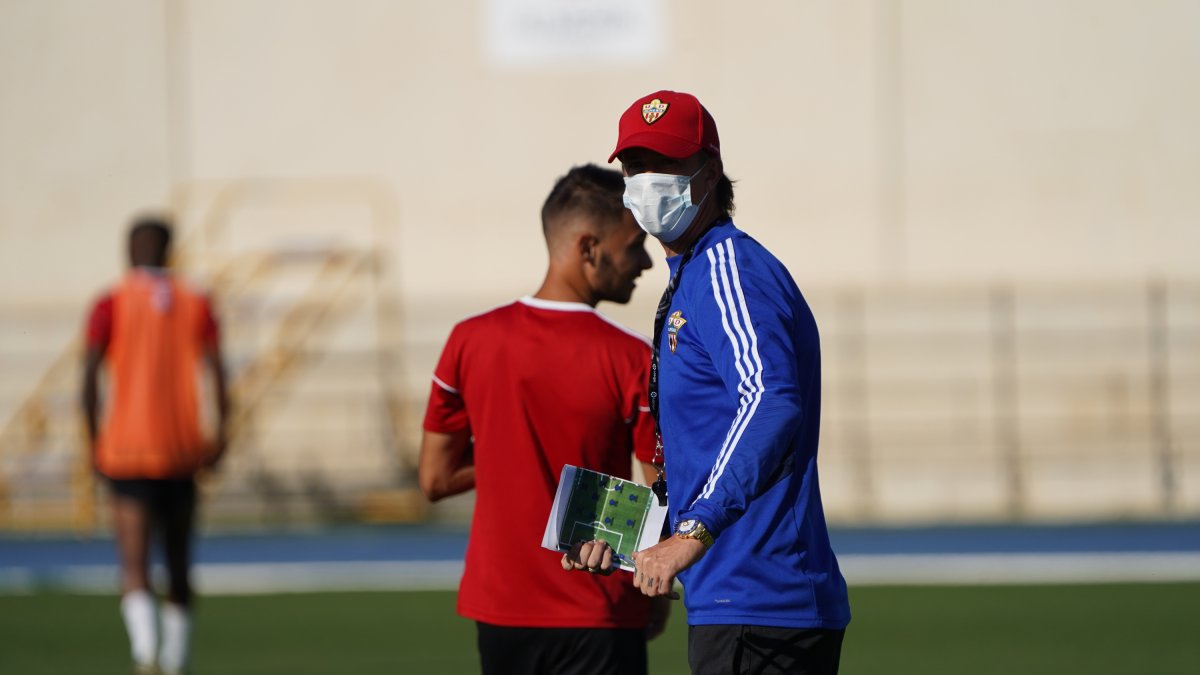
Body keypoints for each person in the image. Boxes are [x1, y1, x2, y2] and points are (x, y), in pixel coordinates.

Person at [606, 89, 852, 674]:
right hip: (735, 599)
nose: (647, 182)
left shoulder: (725, 267)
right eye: (636, 168)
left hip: (761, 601)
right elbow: (704, 441)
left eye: (665, 165)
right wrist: (625, 538)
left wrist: (691, 534)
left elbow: (769, 399)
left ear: (709, 172)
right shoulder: (694, 272)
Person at [418, 164, 670, 675]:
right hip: (601, 606)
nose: (645, 261)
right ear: (588, 247)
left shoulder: (467, 341)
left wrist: (507, 457)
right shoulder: (633, 359)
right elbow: (662, 486)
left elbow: (435, 479)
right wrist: (657, 588)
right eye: (634, 244)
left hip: (501, 610)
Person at [82, 215, 229, 675]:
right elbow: (218, 372)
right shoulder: (195, 301)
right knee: (180, 563)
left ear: (131, 249)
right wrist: (222, 432)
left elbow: (88, 377)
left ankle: (146, 655)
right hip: (182, 448)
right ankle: (175, 658)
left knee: (134, 560)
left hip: (126, 450)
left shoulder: (111, 302)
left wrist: (94, 441)